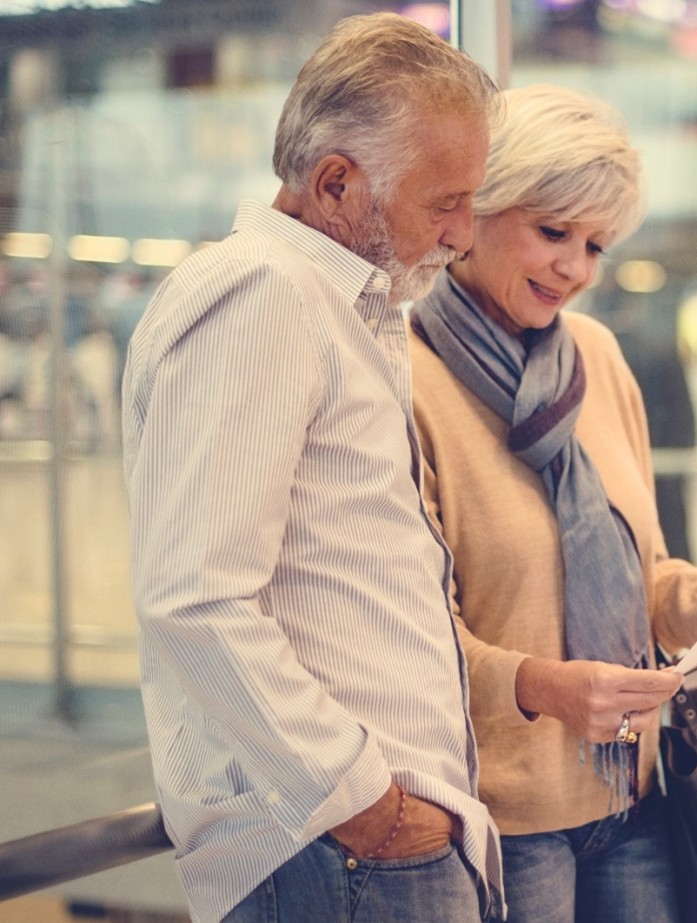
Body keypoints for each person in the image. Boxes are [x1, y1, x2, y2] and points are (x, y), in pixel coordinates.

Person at [121, 14, 503, 923]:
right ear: (336, 182)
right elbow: (194, 596)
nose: (463, 233)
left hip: (360, 845)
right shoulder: (263, 292)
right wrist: (361, 799)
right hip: (336, 851)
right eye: (444, 201)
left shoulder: (337, 307)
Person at [407, 83, 697, 923]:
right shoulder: (403, 378)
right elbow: (405, 636)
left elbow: (638, 569)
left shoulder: (598, 357)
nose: (575, 269)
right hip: (501, 817)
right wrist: (544, 687)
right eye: (553, 232)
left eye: (595, 245)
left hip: (635, 792)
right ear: (477, 207)